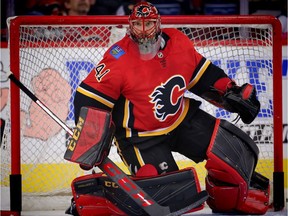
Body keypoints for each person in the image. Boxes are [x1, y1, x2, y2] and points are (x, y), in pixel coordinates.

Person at [73, 1, 269, 214]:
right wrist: (88, 141)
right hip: (141, 137)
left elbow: (203, 75)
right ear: (130, 26)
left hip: (181, 120)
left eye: (149, 24)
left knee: (233, 151)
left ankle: (227, 200)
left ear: (159, 24)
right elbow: (89, 96)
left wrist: (230, 91)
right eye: (138, 24)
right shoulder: (118, 58)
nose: (144, 30)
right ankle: (104, 202)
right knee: (166, 194)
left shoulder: (179, 42)